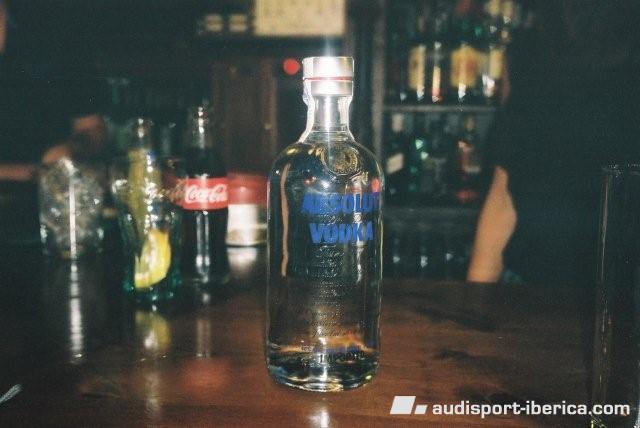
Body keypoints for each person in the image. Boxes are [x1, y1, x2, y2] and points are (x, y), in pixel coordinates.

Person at [467, 0, 640, 285]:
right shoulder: (528, 54)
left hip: (619, 291)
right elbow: (503, 196)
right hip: (530, 285)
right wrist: (476, 294)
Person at [0, 0, 106, 181]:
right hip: (38, 181)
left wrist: (74, 149)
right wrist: (31, 172)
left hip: (52, 192)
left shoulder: (53, 33)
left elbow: (92, 128)